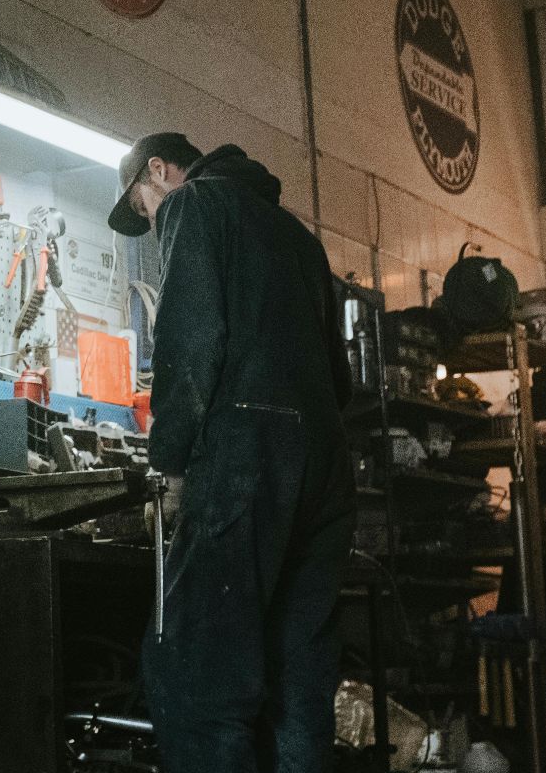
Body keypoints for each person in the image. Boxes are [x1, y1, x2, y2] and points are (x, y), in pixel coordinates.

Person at [107, 132, 357, 773]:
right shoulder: (300, 239)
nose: (151, 219)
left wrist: (167, 463)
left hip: (245, 455)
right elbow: (340, 377)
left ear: (158, 172)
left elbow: (190, 342)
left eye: (143, 206)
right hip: (327, 466)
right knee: (299, 682)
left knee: (197, 674)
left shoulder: (193, 205)